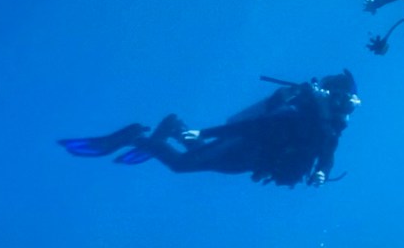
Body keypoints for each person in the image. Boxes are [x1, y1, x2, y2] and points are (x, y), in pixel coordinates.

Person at [59, 71, 361, 188]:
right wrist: (206, 132)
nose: (346, 108)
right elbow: (254, 125)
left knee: (205, 159)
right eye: (344, 100)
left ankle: (175, 127)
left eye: (350, 103)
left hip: (248, 159)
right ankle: (134, 137)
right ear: (331, 95)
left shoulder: (328, 128)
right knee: (182, 164)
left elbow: (327, 153)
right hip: (243, 146)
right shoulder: (298, 113)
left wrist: (322, 171)